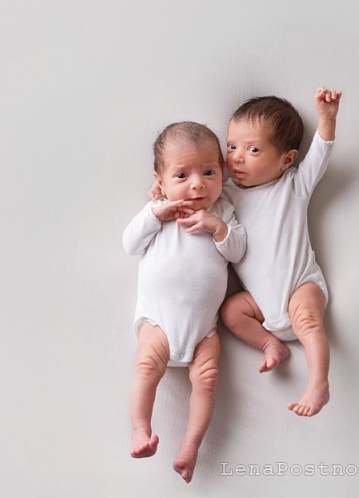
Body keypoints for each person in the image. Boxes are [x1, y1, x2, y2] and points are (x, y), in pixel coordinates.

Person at [123, 121, 246, 483]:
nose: (197, 184)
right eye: (182, 175)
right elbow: (130, 244)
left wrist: (216, 227)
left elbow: (239, 251)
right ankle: (140, 430)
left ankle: (190, 447)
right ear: (160, 183)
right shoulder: (158, 211)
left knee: (207, 381)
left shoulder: (222, 210)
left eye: (208, 172)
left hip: (204, 332)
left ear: (222, 171)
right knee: (146, 369)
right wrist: (153, 214)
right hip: (157, 323)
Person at [219, 87, 342, 417]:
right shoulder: (225, 193)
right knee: (231, 312)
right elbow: (195, 188)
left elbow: (319, 155)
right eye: (231, 146)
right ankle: (269, 343)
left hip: (300, 285)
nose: (236, 157)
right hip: (258, 303)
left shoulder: (293, 186)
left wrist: (327, 118)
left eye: (253, 149)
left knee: (308, 321)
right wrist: (161, 189)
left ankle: (318, 383)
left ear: (286, 159)